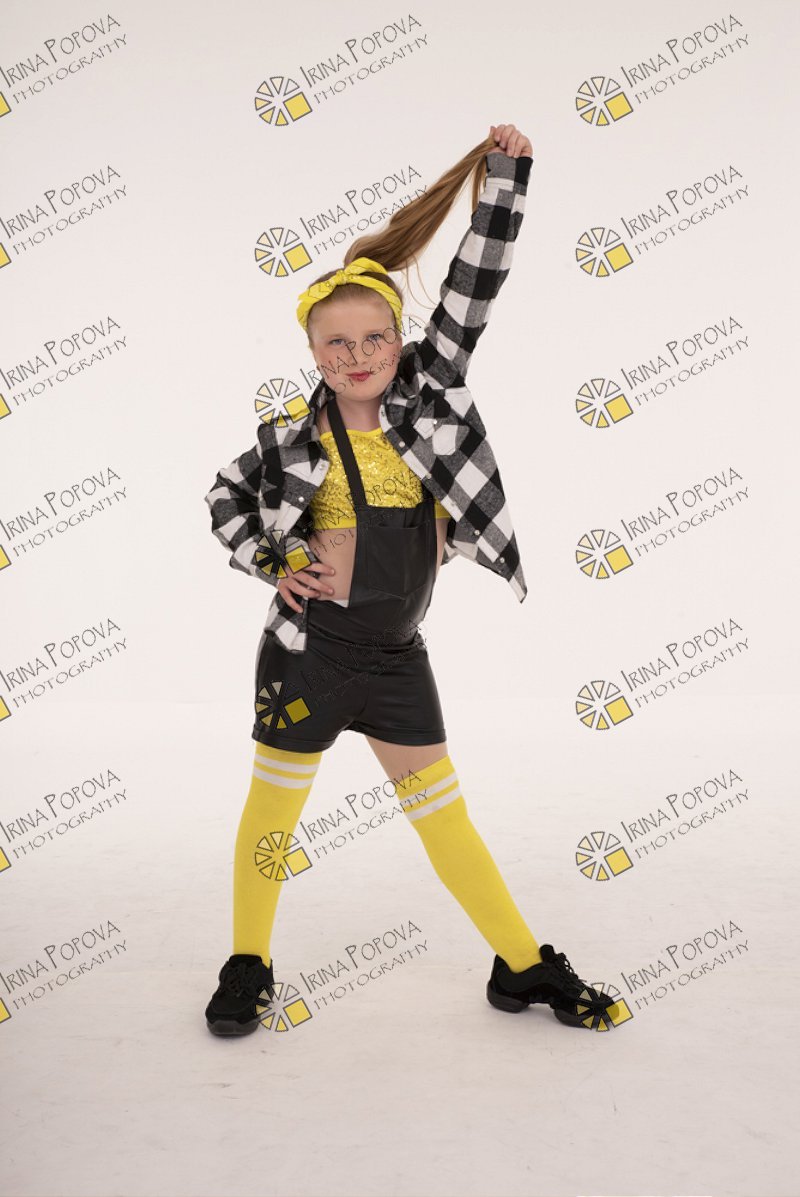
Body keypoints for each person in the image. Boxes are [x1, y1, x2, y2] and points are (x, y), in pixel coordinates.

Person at [203, 122, 620, 1037]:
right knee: (272, 814)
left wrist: (504, 177)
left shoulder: (430, 393)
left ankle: (521, 967)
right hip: (308, 654)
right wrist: (273, 561)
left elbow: (475, 282)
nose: (357, 356)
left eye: (373, 337)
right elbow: (223, 498)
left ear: (400, 339)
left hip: (397, 656)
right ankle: (248, 961)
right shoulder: (289, 441)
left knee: (444, 818)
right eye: (335, 343)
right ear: (312, 351)